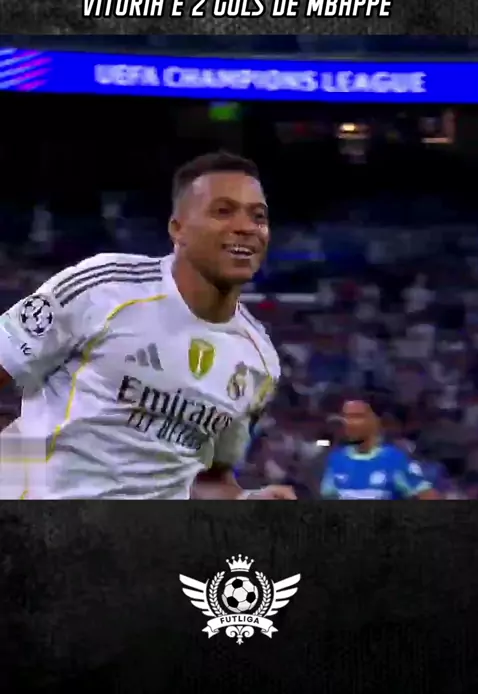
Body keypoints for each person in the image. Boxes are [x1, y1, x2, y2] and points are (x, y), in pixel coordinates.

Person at [0, 152, 296, 501]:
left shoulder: (260, 362)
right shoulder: (104, 287)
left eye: (258, 216)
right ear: (178, 229)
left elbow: (208, 478)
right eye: (223, 211)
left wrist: (247, 501)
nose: (246, 227)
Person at [319, 399, 440, 499]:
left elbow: (428, 495)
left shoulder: (395, 459)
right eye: (346, 418)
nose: (350, 423)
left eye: (358, 417)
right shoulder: (336, 459)